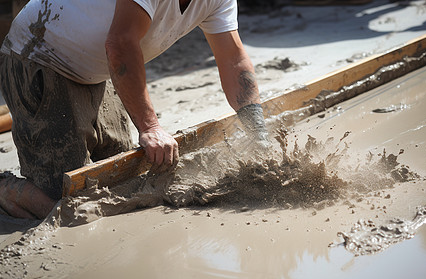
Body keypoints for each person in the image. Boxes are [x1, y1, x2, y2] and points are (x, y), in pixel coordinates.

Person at [0, 0, 268, 219]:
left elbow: (234, 60)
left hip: (99, 70)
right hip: (40, 56)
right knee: (68, 206)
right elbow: (120, 43)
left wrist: (259, 136)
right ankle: (5, 188)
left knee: (122, 180)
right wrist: (150, 127)